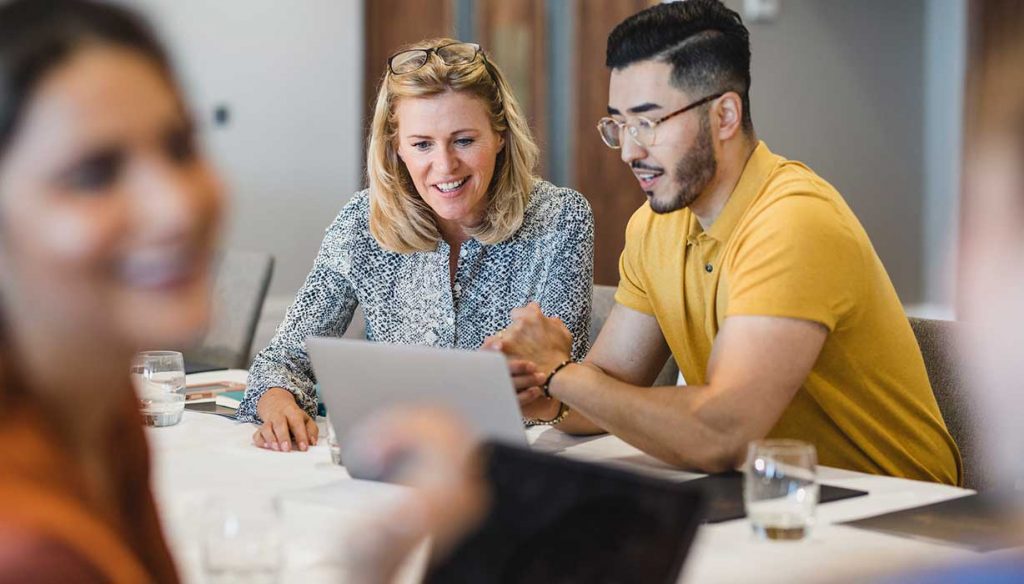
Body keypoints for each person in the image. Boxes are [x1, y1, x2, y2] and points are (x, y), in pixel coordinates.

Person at [0, 1, 484, 581]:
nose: (175, 205)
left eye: (180, 145)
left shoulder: (105, 415)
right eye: (94, 173)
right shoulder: (32, 545)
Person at [489, 0, 961, 485]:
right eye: (620, 125)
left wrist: (563, 375)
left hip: (902, 513)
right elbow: (606, 391)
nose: (630, 150)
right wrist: (540, 387)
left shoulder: (792, 221)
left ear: (725, 116)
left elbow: (721, 434)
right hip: (776, 494)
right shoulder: (655, 227)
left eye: (648, 122)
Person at [241, 38, 595, 452]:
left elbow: (564, 385)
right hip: (393, 459)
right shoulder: (362, 221)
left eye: (464, 140)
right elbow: (282, 359)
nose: (444, 166)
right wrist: (277, 402)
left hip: (519, 463)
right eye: (422, 144)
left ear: (500, 135)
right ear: (396, 148)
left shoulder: (561, 218)